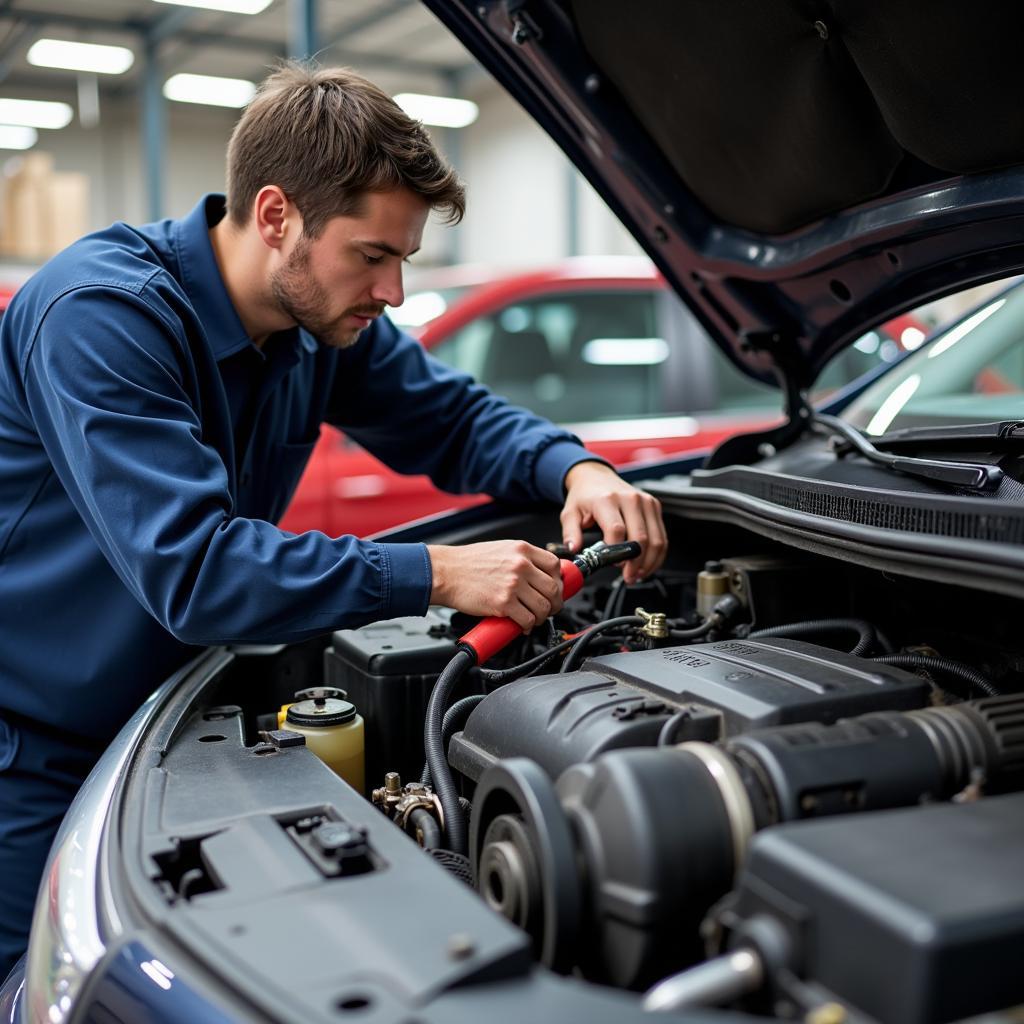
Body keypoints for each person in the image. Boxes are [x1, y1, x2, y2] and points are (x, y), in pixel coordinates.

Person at [0, 62, 667, 976]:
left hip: (175, 719)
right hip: (32, 752)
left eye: (402, 260)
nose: (393, 292)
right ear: (276, 216)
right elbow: (195, 574)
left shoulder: (315, 327)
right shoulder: (103, 316)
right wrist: (437, 571)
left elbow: (455, 420)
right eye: (373, 255)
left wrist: (574, 465)